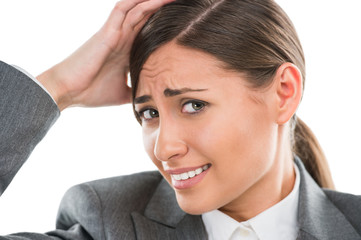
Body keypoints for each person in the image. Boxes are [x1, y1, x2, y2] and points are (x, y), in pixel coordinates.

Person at [0, 0, 360, 239]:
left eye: (193, 105)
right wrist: (57, 87)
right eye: (149, 113)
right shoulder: (108, 224)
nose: (164, 147)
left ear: (284, 92)